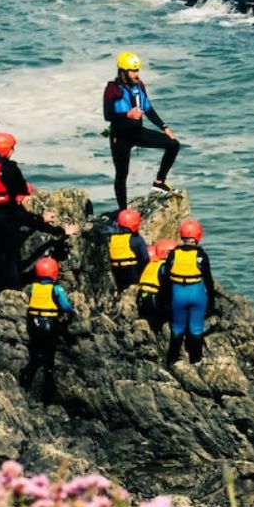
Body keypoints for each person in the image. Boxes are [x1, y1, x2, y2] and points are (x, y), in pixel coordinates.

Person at [0, 132, 79, 305]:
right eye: (11, 148)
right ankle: (8, 297)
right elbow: (24, 203)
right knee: (11, 262)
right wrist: (60, 229)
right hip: (8, 220)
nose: (13, 151)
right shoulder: (9, 169)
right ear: (6, 150)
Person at [103, 51, 180, 210]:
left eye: (138, 70)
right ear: (124, 71)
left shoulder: (140, 86)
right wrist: (127, 114)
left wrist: (164, 127)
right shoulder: (112, 89)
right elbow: (108, 115)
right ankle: (123, 211)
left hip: (137, 133)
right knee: (122, 174)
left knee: (173, 144)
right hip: (120, 137)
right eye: (133, 70)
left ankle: (159, 182)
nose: (137, 74)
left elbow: (148, 109)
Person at [19, 257, 74, 403]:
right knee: (49, 359)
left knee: (35, 356)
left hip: (33, 324)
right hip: (49, 325)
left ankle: (25, 383)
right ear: (54, 272)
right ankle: (47, 395)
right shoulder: (56, 288)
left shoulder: (32, 287)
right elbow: (65, 306)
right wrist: (72, 310)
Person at [160, 219, 215, 365]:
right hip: (197, 295)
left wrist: (165, 301)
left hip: (178, 295)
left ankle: (172, 362)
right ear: (198, 236)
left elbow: (166, 281)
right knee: (196, 329)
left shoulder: (173, 255)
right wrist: (211, 302)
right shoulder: (202, 256)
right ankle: (196, 362)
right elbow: (209, 281)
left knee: (177, 329)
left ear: (182, 236)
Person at [138, 238, 177, 327]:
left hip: (142, 300)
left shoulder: (151, 264)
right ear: (167, 254)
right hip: (154, 301)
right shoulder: (165, 266)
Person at [109, 208, 149, 291]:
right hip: (132, 274)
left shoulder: (112, 238)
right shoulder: (137, 239)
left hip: (117, 274)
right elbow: (145, 259)